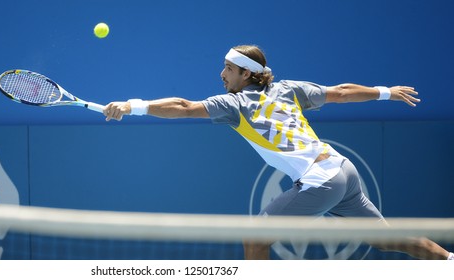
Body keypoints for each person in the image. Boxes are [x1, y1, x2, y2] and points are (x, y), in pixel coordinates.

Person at [102, 45, 454, 260]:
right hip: (342, 171)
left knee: (254, 238)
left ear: (246, 73)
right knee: (389, 240)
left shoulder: (234, 103)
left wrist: (133, 105)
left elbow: (182, 106)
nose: (221, 73)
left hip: (320, 180)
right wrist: (385, 92)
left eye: (228, 68)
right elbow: (343, 92)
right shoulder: (289, 89)